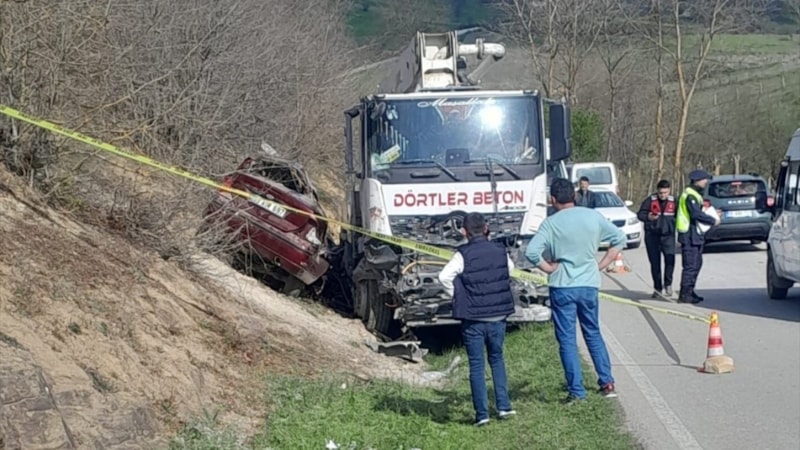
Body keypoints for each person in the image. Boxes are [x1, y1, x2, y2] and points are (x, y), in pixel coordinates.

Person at [525, 178, 625, 404]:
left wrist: (548, 267)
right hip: (589, 283)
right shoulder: (593, 217)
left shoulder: (550, 223)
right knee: (593, 331)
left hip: (562, 285)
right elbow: (619, 238)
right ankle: (607, 382)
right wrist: (601, 263)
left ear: (552, 200)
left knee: (567, 339)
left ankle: (577, 391)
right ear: (575, 196)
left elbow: (532, 252)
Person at [438, 212, 516, 426]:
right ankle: (504, 406)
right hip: (498, 316)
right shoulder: (500, 250)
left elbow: (443, 277)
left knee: (476, 364)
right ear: (486, 228)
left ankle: (482, 414)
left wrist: (456, 296)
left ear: (464, 232)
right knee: (497, 359)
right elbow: (510, 270)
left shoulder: (462, 254)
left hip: (473, 318)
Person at [676, 169, 720, 304]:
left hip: (695, 234)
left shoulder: (695, 194)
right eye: (704, 179)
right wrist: (713, 220)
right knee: (690, 265)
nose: (706, 182)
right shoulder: (690, 195)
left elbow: (699, 212)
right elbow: (695, 214)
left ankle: (690, 291)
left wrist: (712, 213)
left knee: (697, 264)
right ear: (697, 180)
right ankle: (685, 294)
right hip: (689, 234)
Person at [636, 179, 677, 298]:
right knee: (655, 263)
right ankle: (657, 288)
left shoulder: (674, 201)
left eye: (665, 192)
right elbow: (640, 214)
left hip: (668, 236)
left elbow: (681, 215)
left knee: (670, 261)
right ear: (657, 191)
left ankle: (668, 284)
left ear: (669, 190)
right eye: (660, 193)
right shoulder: (650, 200)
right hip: (652, 236)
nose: (663, 195)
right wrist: (648, 217)